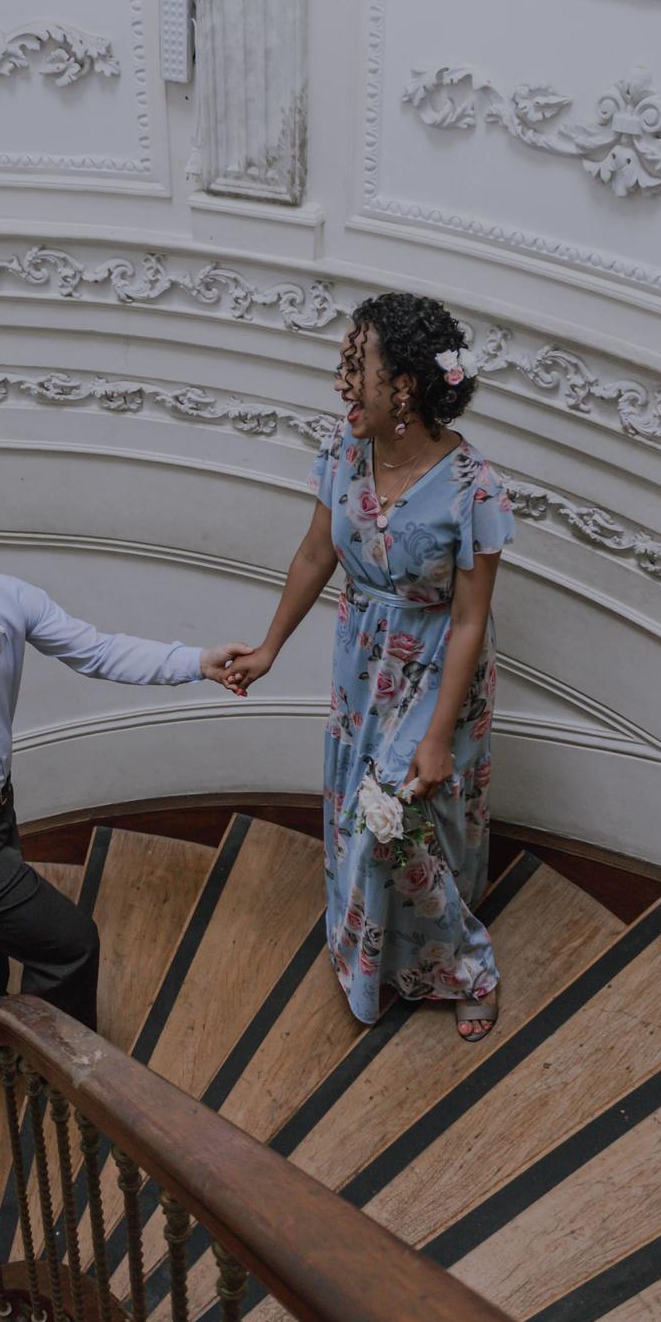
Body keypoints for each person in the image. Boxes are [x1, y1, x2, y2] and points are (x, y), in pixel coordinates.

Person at [225, 293, 514, 1040]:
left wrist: (438, 735)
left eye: (358, 368)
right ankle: (379, 953)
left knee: (394, 822)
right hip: (362, 662)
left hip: (439, 668)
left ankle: (467, 968)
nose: (342, 384)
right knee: (367, 818)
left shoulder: (474, 487)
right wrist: (269, 647)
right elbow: (315, 553)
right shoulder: (344, 450)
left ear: (405, 387)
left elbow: (471, 619)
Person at [0, 502, 248, 1031]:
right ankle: (53, 1062)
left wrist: (196, 662)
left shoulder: (5, 600)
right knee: (70, 945)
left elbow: (98, 651)